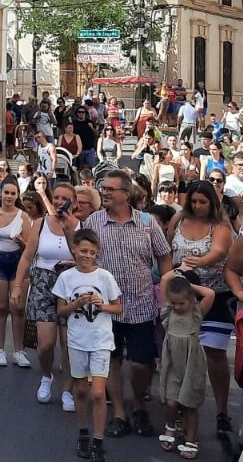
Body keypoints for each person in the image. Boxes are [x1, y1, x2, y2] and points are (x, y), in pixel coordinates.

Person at [85, 168, 171, 438]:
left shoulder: (147, 222)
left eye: (110, 189)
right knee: (112, 359)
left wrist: (167, 293)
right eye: (103, 188)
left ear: (126, 193)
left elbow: (165, 258)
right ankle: (120, 412)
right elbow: (83, 255)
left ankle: (140, 405)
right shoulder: (93, 222)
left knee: (141, 363)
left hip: (142, 305)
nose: (105, 193)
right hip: (105, 307)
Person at [169, 180, 235, 435]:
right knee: (180, 353)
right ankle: (178, 408)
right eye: (194, 201)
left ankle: (222, 410)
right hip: (181, 296)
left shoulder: (220, 225)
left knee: (215, 352)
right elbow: (166, 247)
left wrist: (193, 263)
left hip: (216, 295)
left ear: (212, 203)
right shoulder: (178, 219)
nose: (197, 206)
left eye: (202, 202)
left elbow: (218, 252)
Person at [54, 228, 123, 462]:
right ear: (74, 249)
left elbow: (118, 307)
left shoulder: (104, 276)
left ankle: (98, 440)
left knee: (97, 392)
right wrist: (76, 304)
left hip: (101, 340)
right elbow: (61, 311)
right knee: (81, 390)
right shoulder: (66, 278)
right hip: (77, 340)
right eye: (83, 251)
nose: (87, 256)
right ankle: (83, 432)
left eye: (92, 252)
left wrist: (101, 305)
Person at [15, 180, 80, 411]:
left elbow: (84, 256)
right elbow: (27, 256)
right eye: (57, 197)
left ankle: (67, 390)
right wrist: (17, 285)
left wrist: (69, 227)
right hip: (43, 282)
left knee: (69, 342)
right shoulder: (40, 224)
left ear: (74, 202)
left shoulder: (80, 225)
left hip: (71, 283)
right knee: (46, 343)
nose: (60, 202)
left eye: (65, 198)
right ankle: (46, 376)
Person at [156, 271, 215, 460]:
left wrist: (189, 286)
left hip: (192, 365)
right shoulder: (167, 313)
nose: (178, 307)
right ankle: (170, 428)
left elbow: (210, 294)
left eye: (182, 303)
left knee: (189, 405)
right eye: (174, 303)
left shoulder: (196, 313)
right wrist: (177, 275)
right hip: (173, 364)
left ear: (191, 300)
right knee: (170, 401)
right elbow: (165, 280)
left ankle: (191, 439)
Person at [0, 180, 31, 368]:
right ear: (0, 194)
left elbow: (29, 247)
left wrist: (21, 243)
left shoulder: (23, 216)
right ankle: (0, 350)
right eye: (6, 192)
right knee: (0, 309)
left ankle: (19, 351)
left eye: (13, 193)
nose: (9, 196)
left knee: (18, 308)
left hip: (18, 262)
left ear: (17, 195)